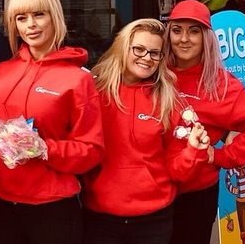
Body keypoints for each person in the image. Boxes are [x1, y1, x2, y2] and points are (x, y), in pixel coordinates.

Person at [0, 0, 104, 244]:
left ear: (55, 17)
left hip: (54, 211)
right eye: (21, 17)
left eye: (39, 14)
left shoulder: (77, 79)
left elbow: (92, 151)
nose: (31, 25)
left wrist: (45, 148)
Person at [84, 18, 210, 244]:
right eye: (139, 49)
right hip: (100, 216)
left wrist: (193, 151)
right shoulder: (93, 90)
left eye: (155, 53)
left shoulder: (168, 100)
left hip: (153, 220)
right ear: (123, 47)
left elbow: (177, 171)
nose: (146, 58)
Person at [165, 0, 245, 244]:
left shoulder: (221, 85)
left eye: (193, 31)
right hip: (154, 191)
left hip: (194, 196)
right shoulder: (156, 73)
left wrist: (221, 157)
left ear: (206, 37)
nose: (183, 39)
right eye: (177, 30)